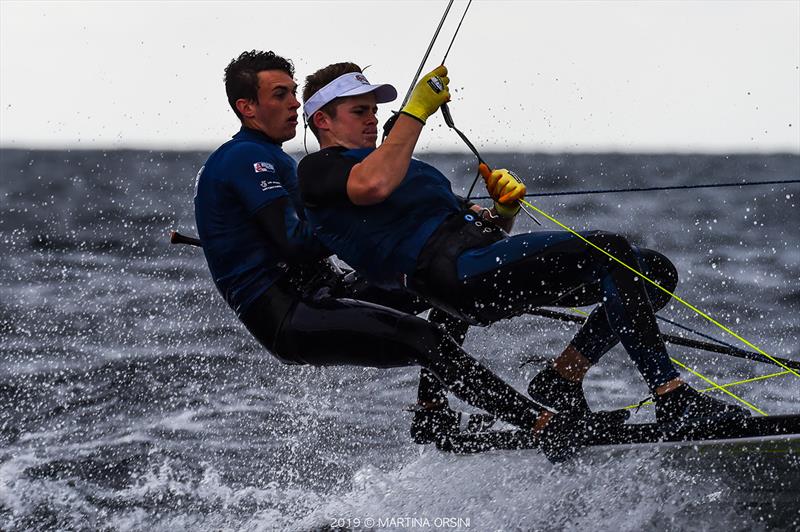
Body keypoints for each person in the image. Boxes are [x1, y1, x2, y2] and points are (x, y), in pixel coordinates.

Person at [192, 50, 595, 461]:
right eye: (279, 95)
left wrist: (455, 212)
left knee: (433, 282)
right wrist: (358, 213)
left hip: (325, 291)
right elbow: (296, 244)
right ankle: (543, 424)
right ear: (247, 108)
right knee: (422, 338)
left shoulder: (279, 159)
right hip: (286, 313)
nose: (293, 102)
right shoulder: (242, 157)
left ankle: (432, 410)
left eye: (294, 93)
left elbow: (331, 218)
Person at [297, 61, 749, 425]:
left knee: (650, 269)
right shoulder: (319, 172)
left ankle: (562, 380)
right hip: (455, 277)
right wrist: (416, 112)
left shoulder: (398, 173)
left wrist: (504, 213)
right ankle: (673, 399)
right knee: (608, 247)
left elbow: (482, 236)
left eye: (375, 111)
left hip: (474, 268)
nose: (372, 120)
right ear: (323, 120)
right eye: (360, 112)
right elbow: (375, 190)